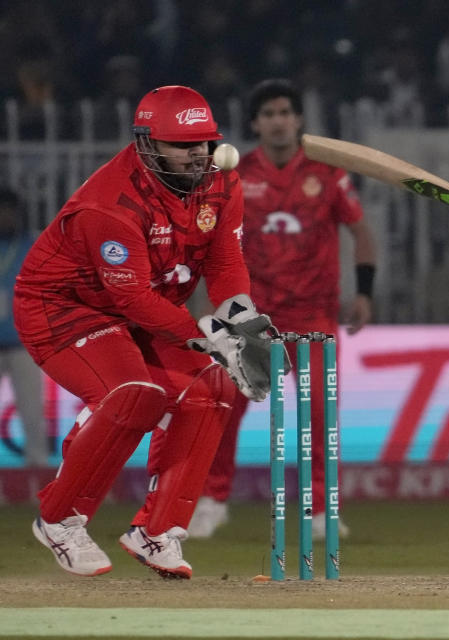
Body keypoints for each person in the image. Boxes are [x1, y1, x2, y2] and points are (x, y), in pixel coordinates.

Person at [15, 85, 276, 578]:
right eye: (183, 145)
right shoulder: (109, 205)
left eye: (203, 142)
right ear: (147, 144)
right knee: (134, 393)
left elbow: (224, 261)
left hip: (145, 308)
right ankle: (59, 519)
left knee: (212, 387)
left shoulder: (220, 181)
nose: (198, 154)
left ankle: (157, 533)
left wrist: (239, 321)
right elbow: (130, 297)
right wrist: (208, 338)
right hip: (64, 310)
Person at [188, 79, 376, 540]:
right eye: (268, 114)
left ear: (298, 120)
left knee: (316, 416)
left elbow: (363, 234)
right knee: (226, 406)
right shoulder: (233, 174)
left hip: (314, 314)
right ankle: (212, 501)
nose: (277, 121)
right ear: (255, 123)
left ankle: (318, 510)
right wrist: (201, 303)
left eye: (284, 113)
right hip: (250, 315)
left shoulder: (328, 172)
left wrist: (365, 293)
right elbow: (206, 239)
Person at [0, 187, 46, 467]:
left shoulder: (33, 245)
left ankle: (38, 468)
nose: (5, 217)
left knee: (32, 409)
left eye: (9, 211)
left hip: (23, 342)